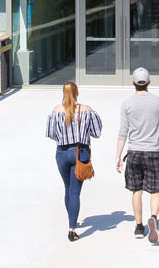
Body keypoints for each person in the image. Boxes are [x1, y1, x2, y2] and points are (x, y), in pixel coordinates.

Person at [115, 67, 159, 244]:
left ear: (133, 83)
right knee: (156, 190)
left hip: (134, 152)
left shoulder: (127, 104)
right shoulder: (158, 102)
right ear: (149, 83)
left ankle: (139, 226)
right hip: (153, 151)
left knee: (136, 190)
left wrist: (118, 155)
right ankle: (153, 216)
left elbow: (123, 131)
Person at [46, 81, 102, 242]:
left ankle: (72, 218)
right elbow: (97, 133)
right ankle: (72, 229)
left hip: (61, 153)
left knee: (68, 188)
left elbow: (51, 135)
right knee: (75, 192)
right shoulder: (87, 111)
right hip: (80, 153)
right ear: (77, 93)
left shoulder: (55, 111)